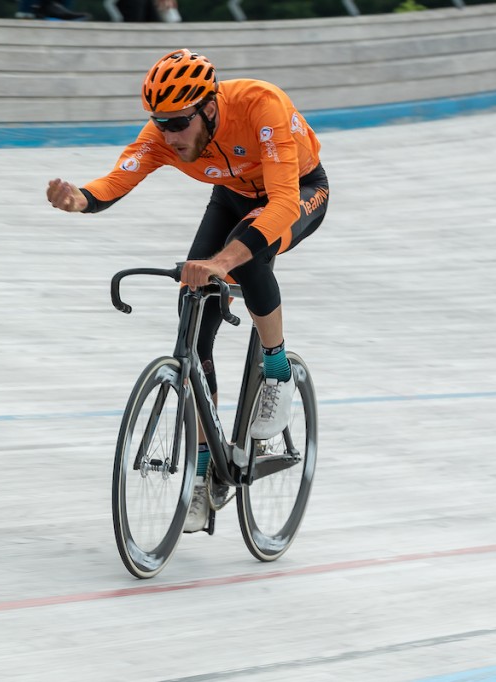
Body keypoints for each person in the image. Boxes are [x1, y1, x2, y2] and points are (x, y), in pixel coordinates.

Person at [45, 49, 328, 533]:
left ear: (209, 108)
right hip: (233, 196)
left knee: (247, 252)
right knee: (192, 318)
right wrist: (80, 200)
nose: (170, 135)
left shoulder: (262, 105)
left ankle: (277, 369)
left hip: (298, 191)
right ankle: (204, 471)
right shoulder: (163, 136)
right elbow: (118, 179)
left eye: (178, 122)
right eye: (160, 122)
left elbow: (281, 203)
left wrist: (221, 262)